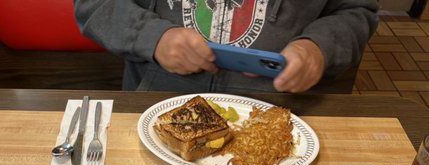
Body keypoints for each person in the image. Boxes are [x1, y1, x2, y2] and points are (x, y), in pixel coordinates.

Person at [74, 1, 379, 94]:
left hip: (282, 117)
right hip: (152, 107)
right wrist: (153, 36)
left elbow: (356, 11)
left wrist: (318, 48)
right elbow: (94, 4)